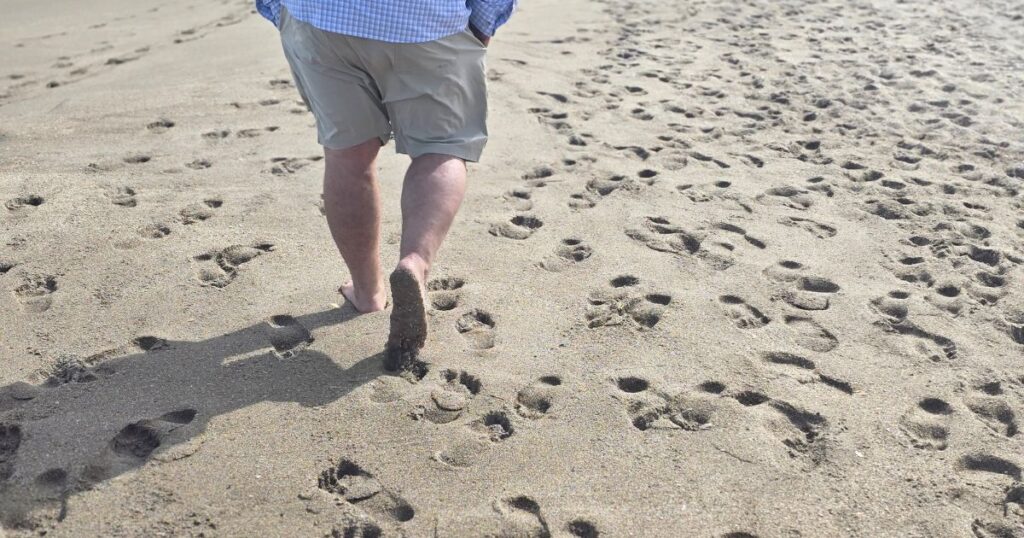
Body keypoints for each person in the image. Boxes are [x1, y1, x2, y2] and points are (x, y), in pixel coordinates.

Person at [255, 0, 517, 364]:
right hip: (426, 20)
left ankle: (367, 292)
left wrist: (278, 10)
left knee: (347, 156)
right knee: (441, 147)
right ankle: (414, 264)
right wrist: (483, 23)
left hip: (319, 18)